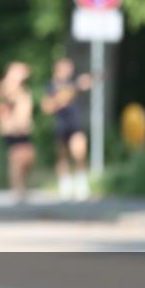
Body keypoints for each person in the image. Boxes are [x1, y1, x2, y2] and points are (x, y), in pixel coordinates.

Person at [41, 57, 92, 200]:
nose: (69, 71)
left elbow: (82, 85)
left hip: (75, 122)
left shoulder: (72, 83)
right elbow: (46, 107)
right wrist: (59, 99)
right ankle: (65, 183)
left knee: (80, 151)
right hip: (61, 123)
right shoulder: (51, 85)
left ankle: (81, 182)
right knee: (62, 156)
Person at [0, 62, 35, 203]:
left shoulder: (24, 89)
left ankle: (22, 186)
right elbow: (6, 98)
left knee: (28, 157)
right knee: (16, 159)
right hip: (10, 128)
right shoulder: (5, 86)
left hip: (23, 128)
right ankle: (18, 190)